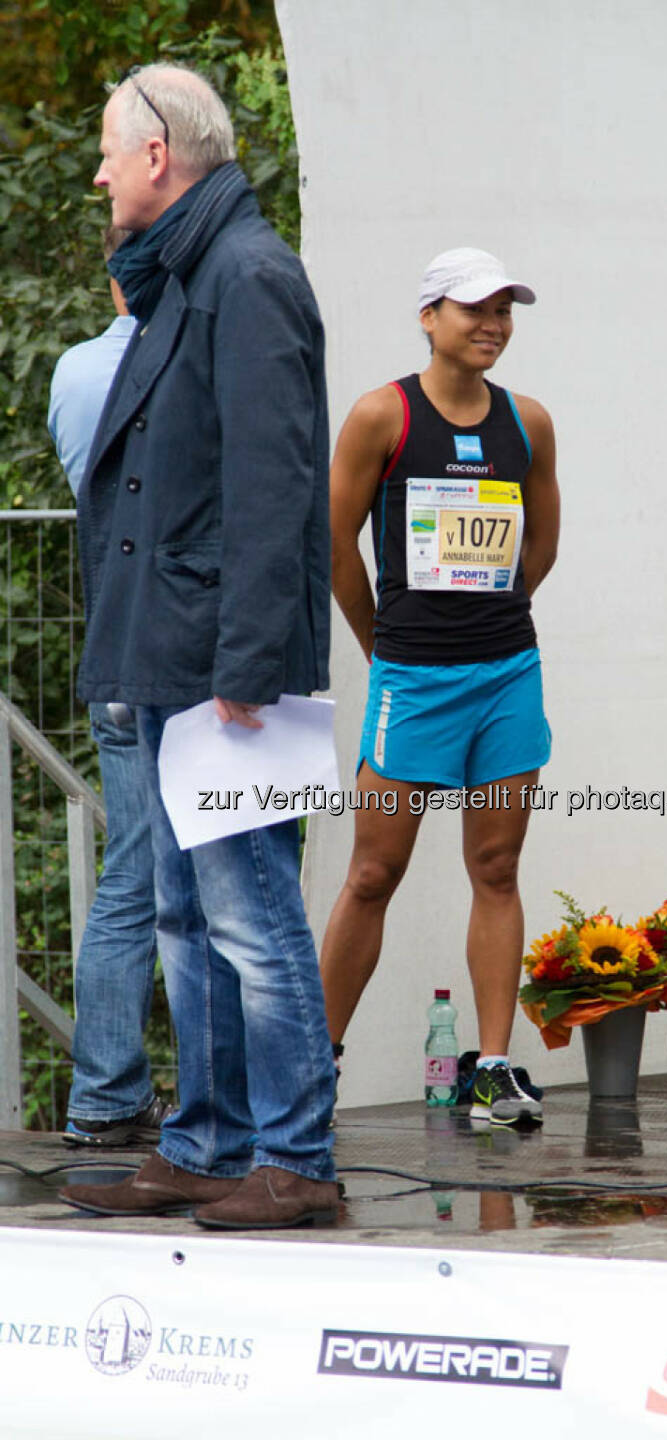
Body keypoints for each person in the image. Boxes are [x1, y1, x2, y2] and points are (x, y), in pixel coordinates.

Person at [57, 63, 338, 1227]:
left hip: (220, 672)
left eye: (112, 152)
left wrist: (245, 666)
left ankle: (296, 1157)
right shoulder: (189, 275)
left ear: (160, 155)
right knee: (182, 917)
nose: (100, 171)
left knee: (251, 919)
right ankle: (212, 1141)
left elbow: (274, 486)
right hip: (168, 660)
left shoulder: (249, 276)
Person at [318, 247, 559, 1127]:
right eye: (473, 309)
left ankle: (492, 1066)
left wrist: (491, 617)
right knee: (374, 872)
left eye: (504, 310)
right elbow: (336, 545)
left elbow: (541, 545)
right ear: (429, 317)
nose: (492, 324)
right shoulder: (381, 416)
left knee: (496, 865)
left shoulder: (528, 421)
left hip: (506, 675)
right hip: (411, 682)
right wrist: (383, 642)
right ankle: (316, 1062)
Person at [48, 225, 172, 1150]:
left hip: (110, 645)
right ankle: (199, 1104)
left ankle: (105, 1094)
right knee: (198, 884)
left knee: (130, 875)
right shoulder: (182, 362)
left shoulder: (73, 371)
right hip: (179, 657)